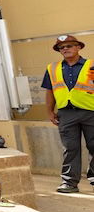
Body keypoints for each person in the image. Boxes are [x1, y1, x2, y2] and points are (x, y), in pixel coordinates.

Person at [41, 35, 94, 194]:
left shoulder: (91, 66)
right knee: (70, 148)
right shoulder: (52, 68)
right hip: (66, 114)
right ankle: (69, 182)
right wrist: (50, 111)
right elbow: (50, 91)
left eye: (69, 45)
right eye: (62, 47)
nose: (65, 49)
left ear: (78, 47)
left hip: (90, 111)